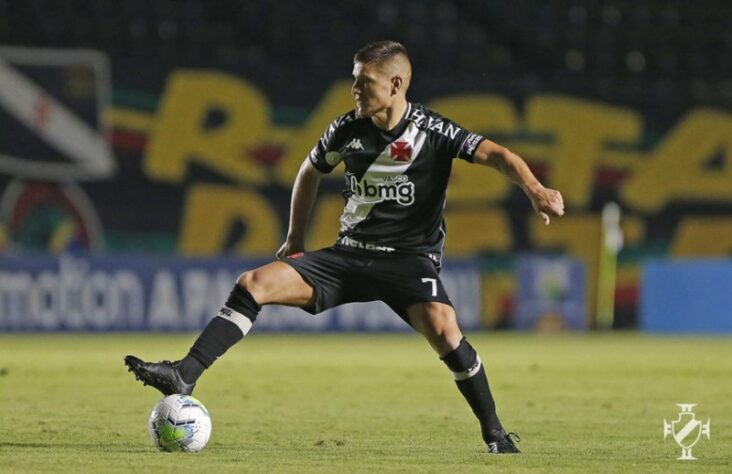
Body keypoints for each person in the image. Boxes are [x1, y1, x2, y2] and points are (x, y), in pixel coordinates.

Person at [125, 40, 564, 454]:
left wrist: (535, 189)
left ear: (395, 85)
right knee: (253, 282)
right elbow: (308, 172)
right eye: (354, 79)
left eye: (364, 81)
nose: (355, 89)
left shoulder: (435, 131)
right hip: (348, 256)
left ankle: (495, 434)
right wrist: (296, 237)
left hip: (410, 262)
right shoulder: (345, 129)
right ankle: (185, 374)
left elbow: (499, 155)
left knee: (446, 332)